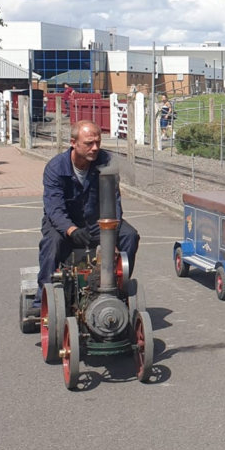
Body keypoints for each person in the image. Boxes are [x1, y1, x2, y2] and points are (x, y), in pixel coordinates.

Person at [31, 120, 141, 312]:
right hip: (65, 223)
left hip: (97, 222)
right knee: (51, 244)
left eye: (98, 142)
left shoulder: (106, 162)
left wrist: (111, 238)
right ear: (73, 143)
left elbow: (114, 202)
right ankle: (41, 301)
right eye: (89, 143)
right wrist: (71, 230)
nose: (95, 148)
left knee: (130, 236)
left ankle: (116, 289)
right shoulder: (55, 168)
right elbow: (54, 209)